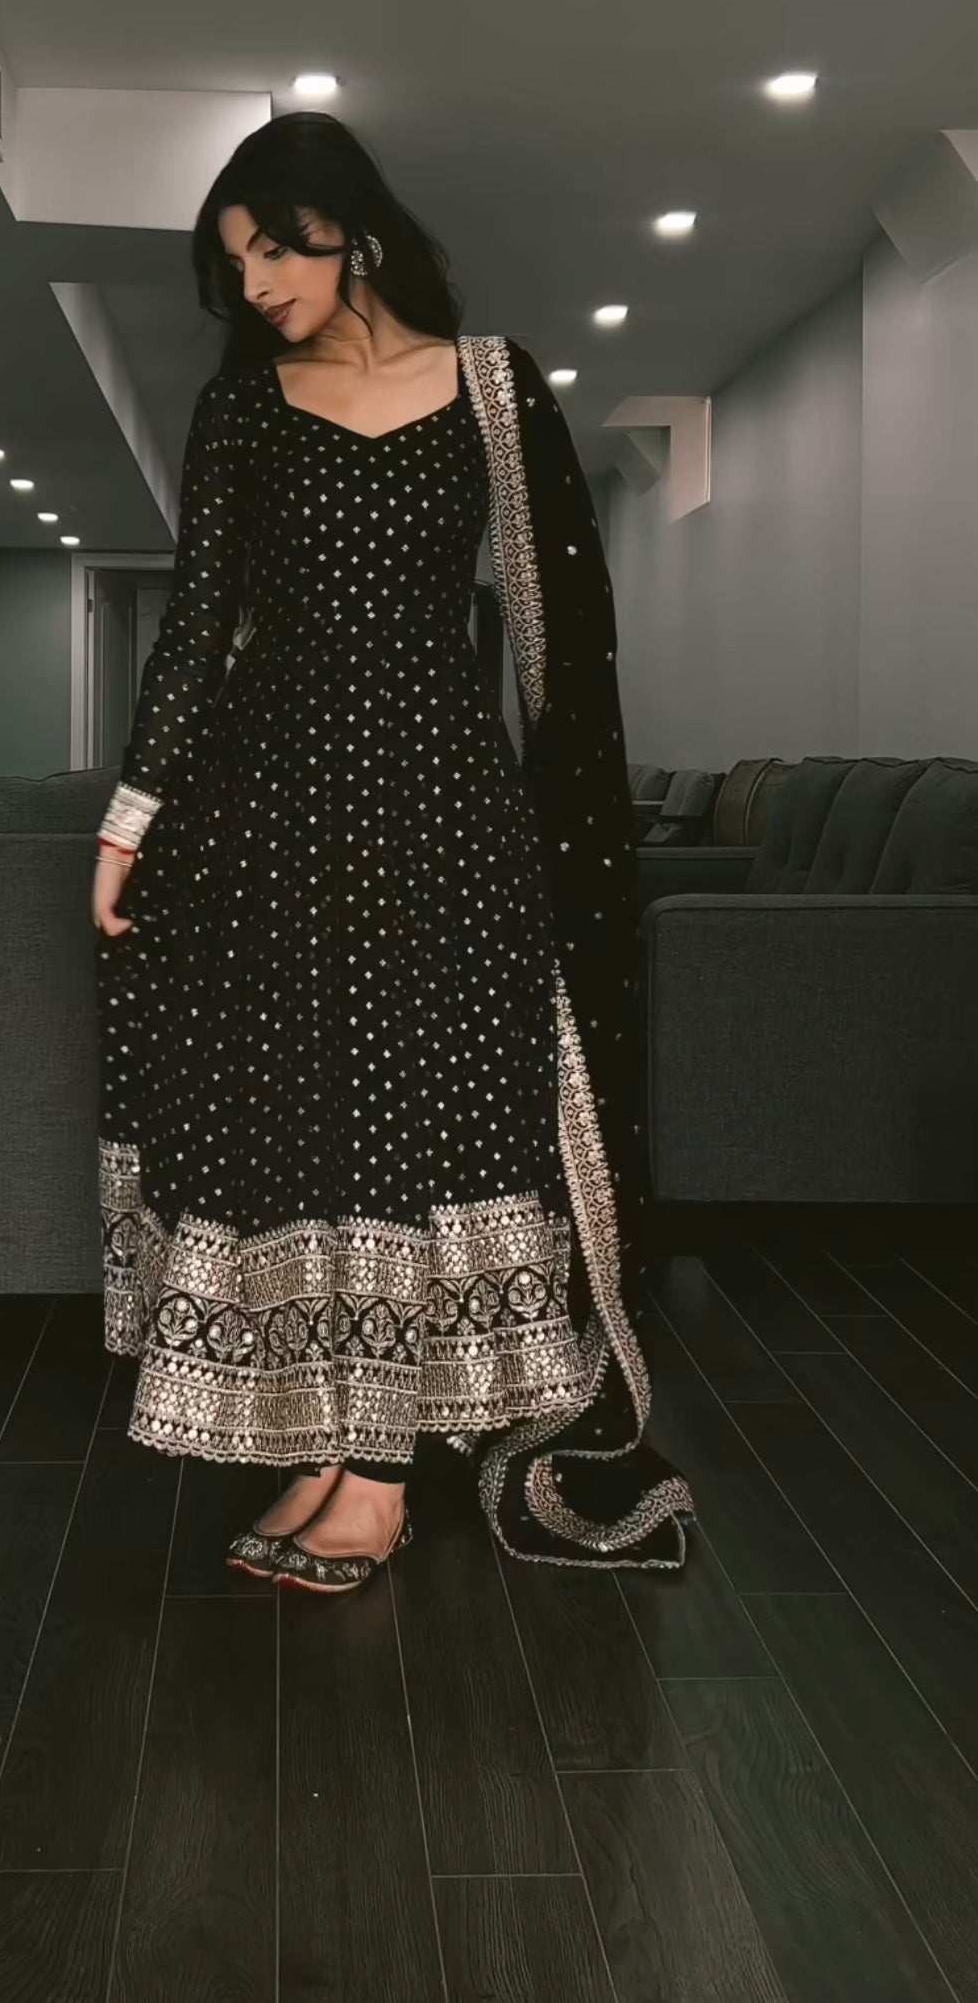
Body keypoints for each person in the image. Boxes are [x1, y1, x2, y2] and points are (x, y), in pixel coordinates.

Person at [92, 111, 692, 1594]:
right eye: (230, 266)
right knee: (293, 1100)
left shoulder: (495, 390)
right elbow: (194, 623)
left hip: (436, 805)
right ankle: (321, 1437)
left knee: (421, 1100)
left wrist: (569, 845)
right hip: (267, 800)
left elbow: (563, 627)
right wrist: (132, 816)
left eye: (270, 249)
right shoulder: (242, 409)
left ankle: (380, 1469)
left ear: (345, 228)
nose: (254, 286)